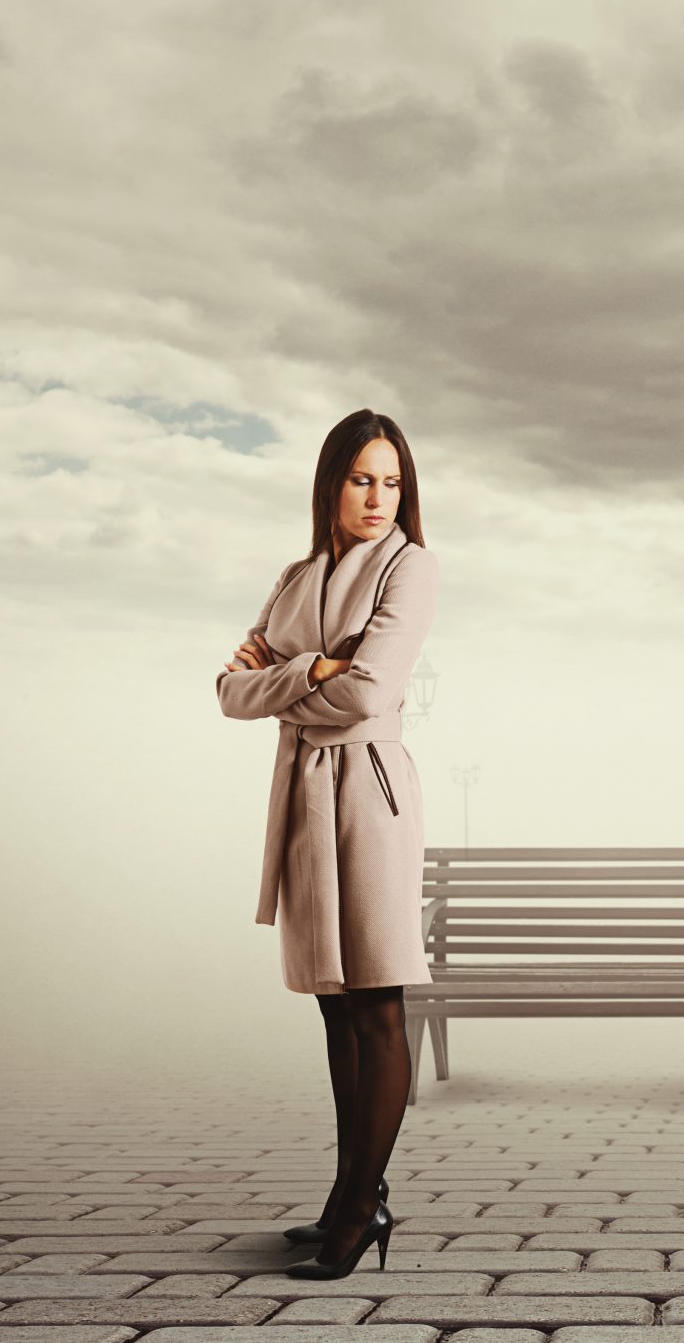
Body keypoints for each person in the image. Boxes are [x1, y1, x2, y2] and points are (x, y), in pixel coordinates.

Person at [216, 409, 440, 1279]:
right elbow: (229, 690)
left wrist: (292, 681)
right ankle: (348, 1190)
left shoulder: (411, 567)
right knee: (334, 1001)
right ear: (331, 485)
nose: (378, 497)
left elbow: (369, 696)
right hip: (306, 796)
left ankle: (361, 1206)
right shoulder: (297, 573)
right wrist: (311, 670)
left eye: (391, 481)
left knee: (377, 1000)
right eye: (361, 478)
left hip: (369, 793)